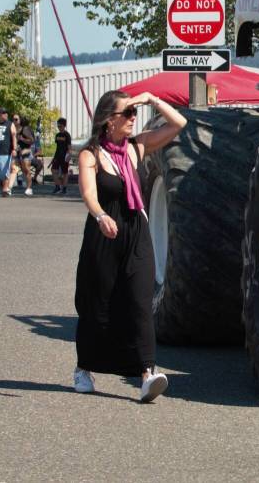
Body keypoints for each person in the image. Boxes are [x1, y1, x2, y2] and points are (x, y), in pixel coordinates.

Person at [73, 89, 186, 402]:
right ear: (110, 120)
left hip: (136, 231)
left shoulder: (137, 147)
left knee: (139, 302)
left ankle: (147, 374)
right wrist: (98, 216)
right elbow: (88, 194)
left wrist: (150, 101)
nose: (133, 119)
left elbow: (179, 123)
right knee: (97, 306)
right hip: (104, 233)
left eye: (135, 114)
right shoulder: (90, 155)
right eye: (128, 114)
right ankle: (84, 368)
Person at [7, 115, 36, 196]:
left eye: (16, 119)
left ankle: (29, 188)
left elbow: (32, 140)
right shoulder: (13, 129)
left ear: (20, 120)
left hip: (25, 152)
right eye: (13, 119)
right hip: (17, 152)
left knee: (26, 170)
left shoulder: (25, 128)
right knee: (13, 169)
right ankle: (9, 188)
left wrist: (22, 139)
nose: (14, 121)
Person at [51, 118, 72, 195]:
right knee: (53, 170)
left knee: (65, 173)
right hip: (57, 156)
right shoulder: (57, 135)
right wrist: (54, 157)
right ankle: (57, 186)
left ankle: (64, 188)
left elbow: (69, 147)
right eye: (58, 126)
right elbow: (58, 147)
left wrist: (69, 155)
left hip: (64, 156)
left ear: (64, 126)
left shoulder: (67, 135)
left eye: (60, 126)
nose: (59, 127)